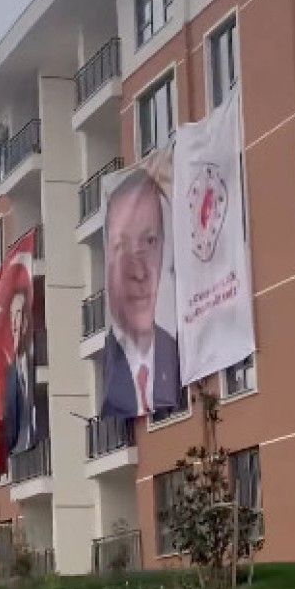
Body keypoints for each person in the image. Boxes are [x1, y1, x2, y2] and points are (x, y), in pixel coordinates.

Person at [102, 168, 181, 418]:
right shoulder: (110, 367)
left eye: (150, 242)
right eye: (121, 246)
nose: (139, 272)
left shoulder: (179, 353)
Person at [2, 288, 36, 455]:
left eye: (19, 313)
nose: (15, 322)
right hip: (19, 454)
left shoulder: (33, 362)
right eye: (12, 315)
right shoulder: (7, 374)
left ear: (27, 321)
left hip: (33, 448)